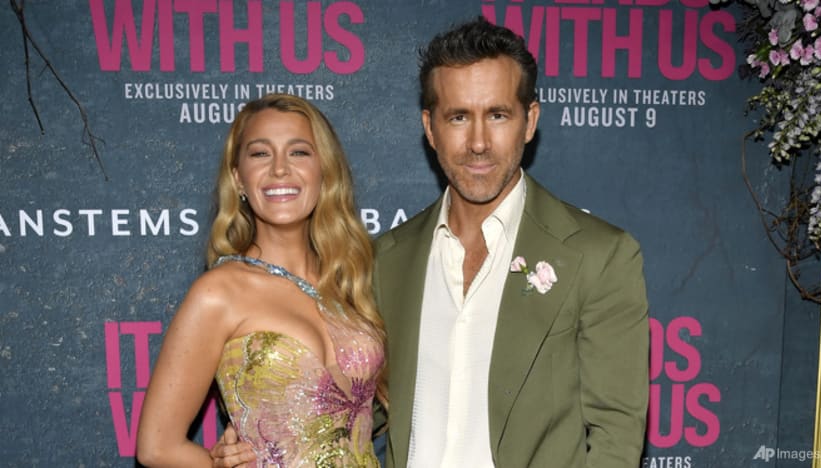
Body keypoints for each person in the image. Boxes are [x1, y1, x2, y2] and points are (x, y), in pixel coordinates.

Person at [213, 16, 649, 468]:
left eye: (497, 115)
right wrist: (260, 438)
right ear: (430, 127)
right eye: (458, 117)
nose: (478, 142)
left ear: (529, 121)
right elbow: (351, 407)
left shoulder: (598, 256)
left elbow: (616, 437)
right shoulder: (385, 259)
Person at [136, 93, 387, 467]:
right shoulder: (219, 292)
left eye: (299, 152)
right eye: (260, 154)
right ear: (238, 178)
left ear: (324, 171)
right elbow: (157, 446)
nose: (280, 169)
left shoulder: (350, 282)